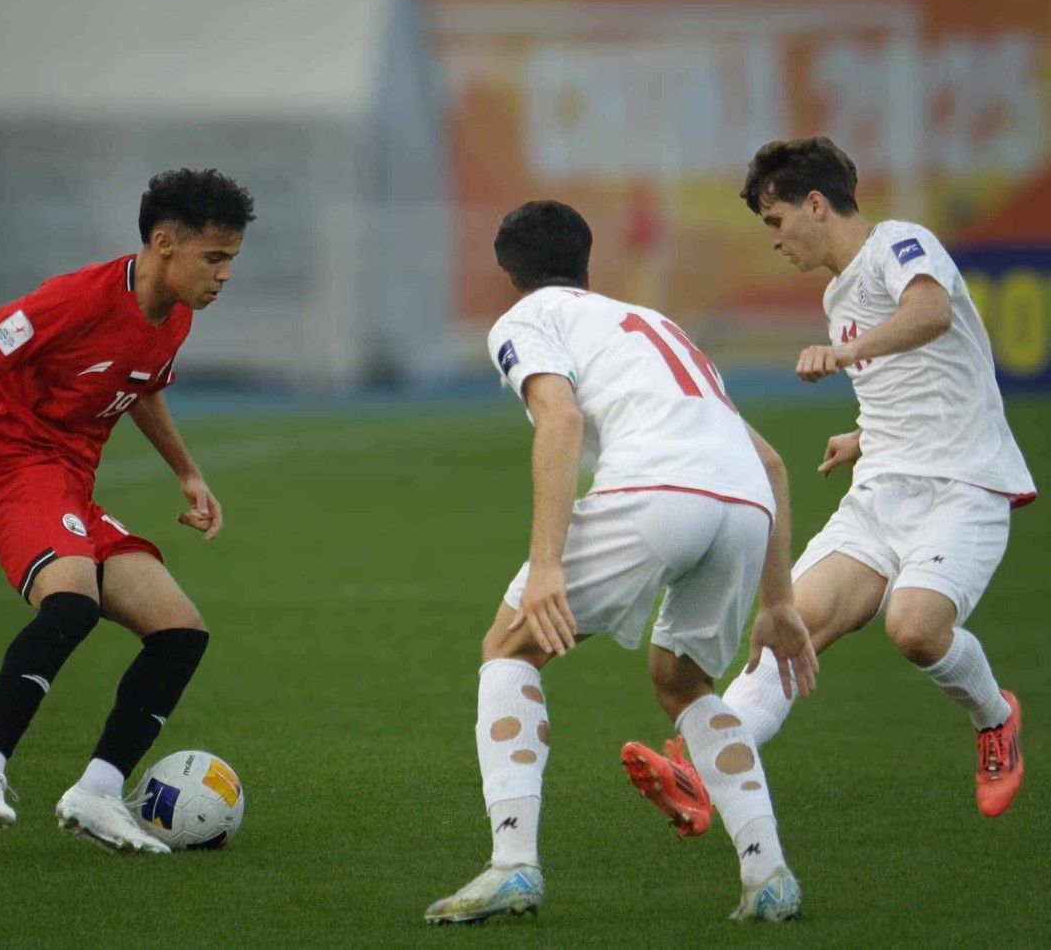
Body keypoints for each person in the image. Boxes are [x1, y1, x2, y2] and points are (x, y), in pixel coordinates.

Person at [425, 200, 819, 926]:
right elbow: (769, 461)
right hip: (744, 504)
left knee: (508, 650)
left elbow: (562, 418)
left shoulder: (524, 319)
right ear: (586, 261)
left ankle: (512, 864)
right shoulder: (655, 324)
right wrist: (779, 602)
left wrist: (547, 565)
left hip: (658, 493)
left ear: (508, 271)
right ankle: (769, 876)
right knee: (686, 681)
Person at [0, 168, 255, 853]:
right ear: (165, 244)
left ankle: (98, 793)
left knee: (180, 632)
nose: (224, 274)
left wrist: (188, 472)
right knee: (70, 603)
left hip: (71, 484)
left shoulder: (177, 314)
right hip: (11, 468)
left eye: (231, 260)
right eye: (214, 258)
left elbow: (140, 386)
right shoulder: (76, 298)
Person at [722, 136, 1033, 818]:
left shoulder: (899, 242)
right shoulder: (838, 293)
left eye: (775, 222)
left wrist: (847, 351)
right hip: (882, 494)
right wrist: (863, 437)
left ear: (814, 204)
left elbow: (932, 314)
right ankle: (706, 765)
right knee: (788, 625)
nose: (775, 240)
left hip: (962, 487)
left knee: (916, 628)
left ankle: (994, 718)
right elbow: (922, 384)